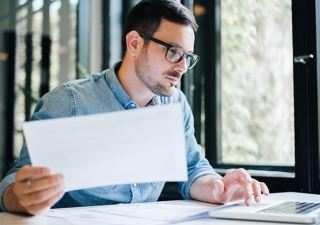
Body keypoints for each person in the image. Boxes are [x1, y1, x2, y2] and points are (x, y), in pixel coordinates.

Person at [0, 0, 269, 215]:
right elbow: (13, 184)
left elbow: (192, 169)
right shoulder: (69, 102)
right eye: (174, 51)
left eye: (188, 57)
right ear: (135, 43)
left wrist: (218, 188)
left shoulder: (175, 103)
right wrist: (22, 197)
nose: (182, 67)